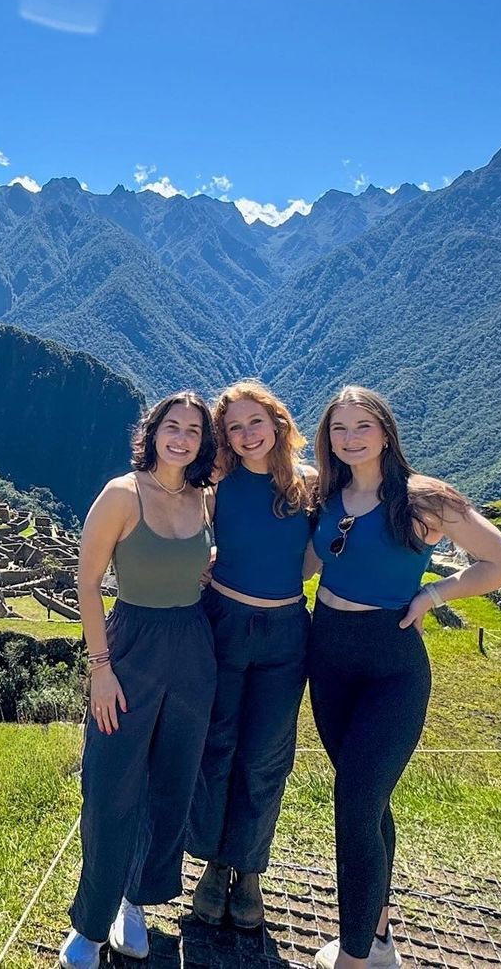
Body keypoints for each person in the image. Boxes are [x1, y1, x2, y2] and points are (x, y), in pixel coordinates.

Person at [308, 386, 501, 969]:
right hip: (326, 656)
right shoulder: (328, 491)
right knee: (370, 802)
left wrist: (434, 593)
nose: (350, 439)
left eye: (362, 427)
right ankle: (378, 936)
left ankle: (354, 958)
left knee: (354, 801)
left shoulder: (423, 498)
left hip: (391, 666)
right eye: (338, 429)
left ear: (385, 432)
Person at [59, 392, 218, 969]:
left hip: (193, 648)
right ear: (152, 433)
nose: (181, 438)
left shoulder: (205, 499)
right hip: (130, 646)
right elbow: (88, 580)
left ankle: (136, 899)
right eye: (171, 427)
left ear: (204, 442)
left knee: (171, 784)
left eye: (194, 431)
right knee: (110, 784)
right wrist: (100, 670)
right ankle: (89, 923)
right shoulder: (121, 496)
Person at [187, 380, 315, 930]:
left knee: (265, 756)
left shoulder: (310, 486)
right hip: (225, 622)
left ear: (277, 421)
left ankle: (250, 869)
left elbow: (320, 555)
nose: (245, 435)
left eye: (253, 423)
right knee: (218, 744)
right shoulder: (221, 483)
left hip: (287, 631)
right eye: (233, 428)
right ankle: (215, 865)